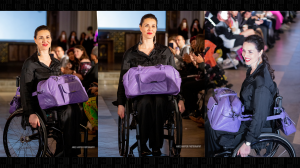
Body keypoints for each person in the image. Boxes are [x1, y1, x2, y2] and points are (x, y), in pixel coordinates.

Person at [117, 14, 185, 156]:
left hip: (163, 94)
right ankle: (143, 145)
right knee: (146, 102)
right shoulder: (130, 54)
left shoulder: (165, 52)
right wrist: (121, 103)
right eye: (146, 25)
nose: (150, 28)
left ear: (156, 29)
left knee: (159, 101)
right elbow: (123, 80)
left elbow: (174, 77)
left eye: (153, 26)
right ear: (141, 27)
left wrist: (180, 98)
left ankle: (156, 146)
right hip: (140, 96)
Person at [205, 35, 278, 157]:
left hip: (253, 124)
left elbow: (259, 116)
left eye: (250, 51)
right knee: (211, 121)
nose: (245, 55)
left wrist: (248, 142)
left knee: (213, 128)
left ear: (260, 52)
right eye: (244, 50)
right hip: (246, 115)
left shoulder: (261, 83)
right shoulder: (252, 70)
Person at [20, 25, 81, 157]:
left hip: (55, 101)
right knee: (69, 111)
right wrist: (30, 113)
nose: (44, 40)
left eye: (47, 37)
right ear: (35, 40)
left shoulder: (55, 63)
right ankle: (67, 152)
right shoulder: (30, 63)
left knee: (75, 108)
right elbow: (25, 90)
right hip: (39, 104)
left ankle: (67, 150)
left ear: (51, 39)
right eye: (40, 38)